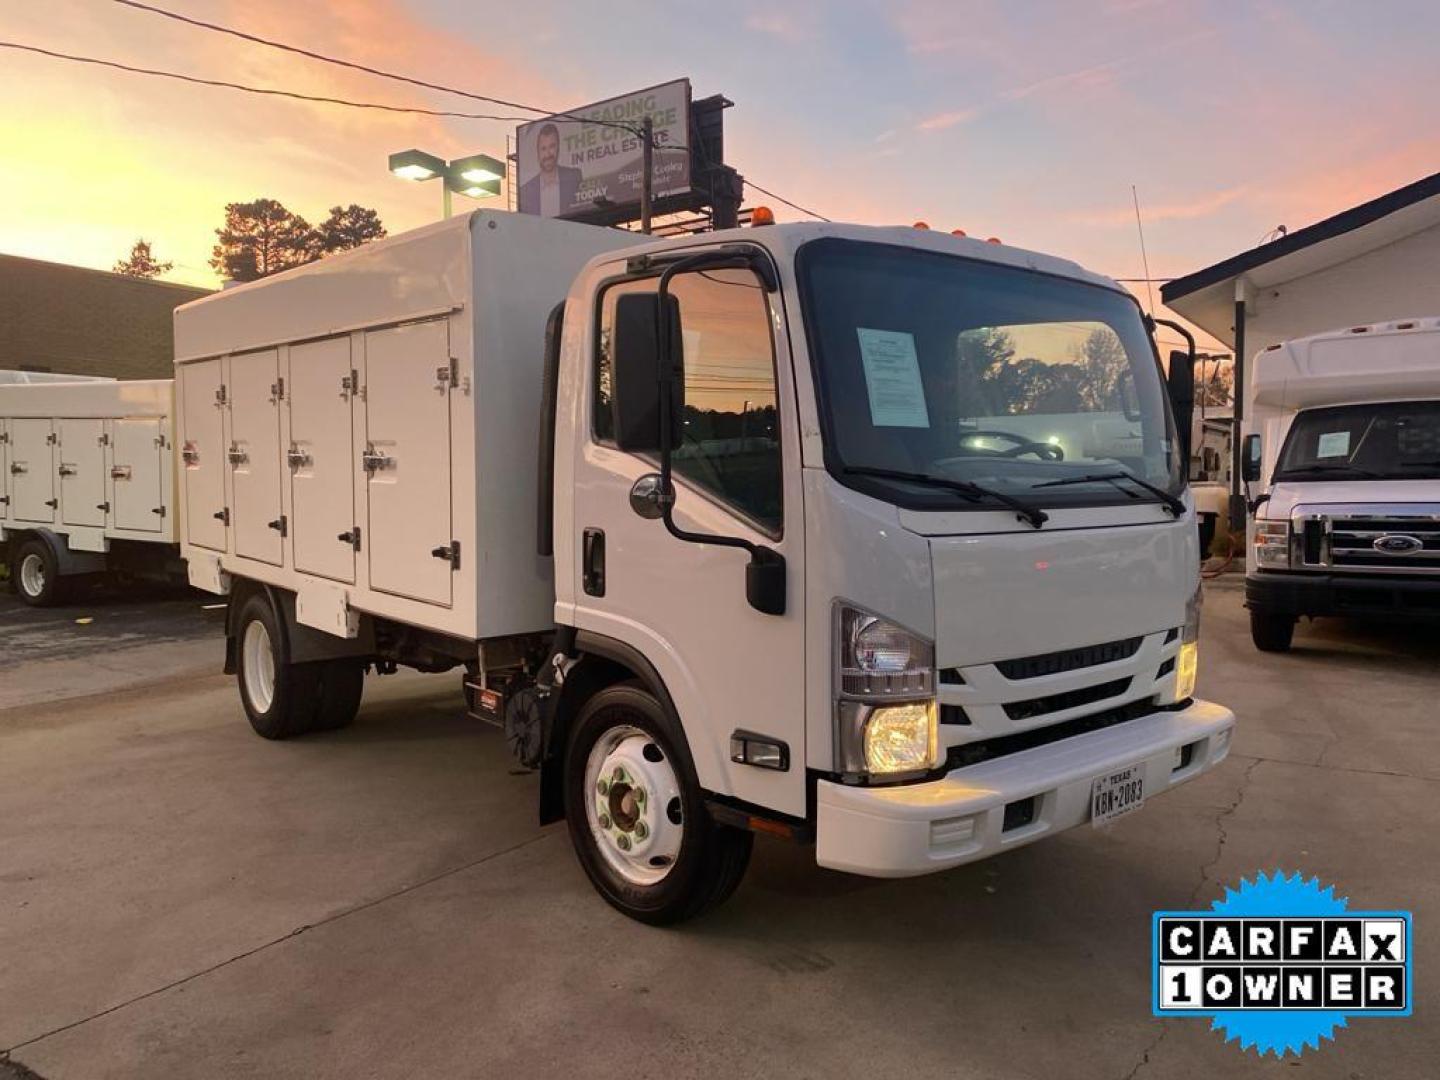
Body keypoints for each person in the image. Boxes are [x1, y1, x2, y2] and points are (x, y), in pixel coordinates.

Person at [519, 123, 582, 216]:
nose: (548, 154)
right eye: (543, 149)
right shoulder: (526, 191)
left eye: (552, 146)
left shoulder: (574, 176)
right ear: (538, 153)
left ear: (558, 148)